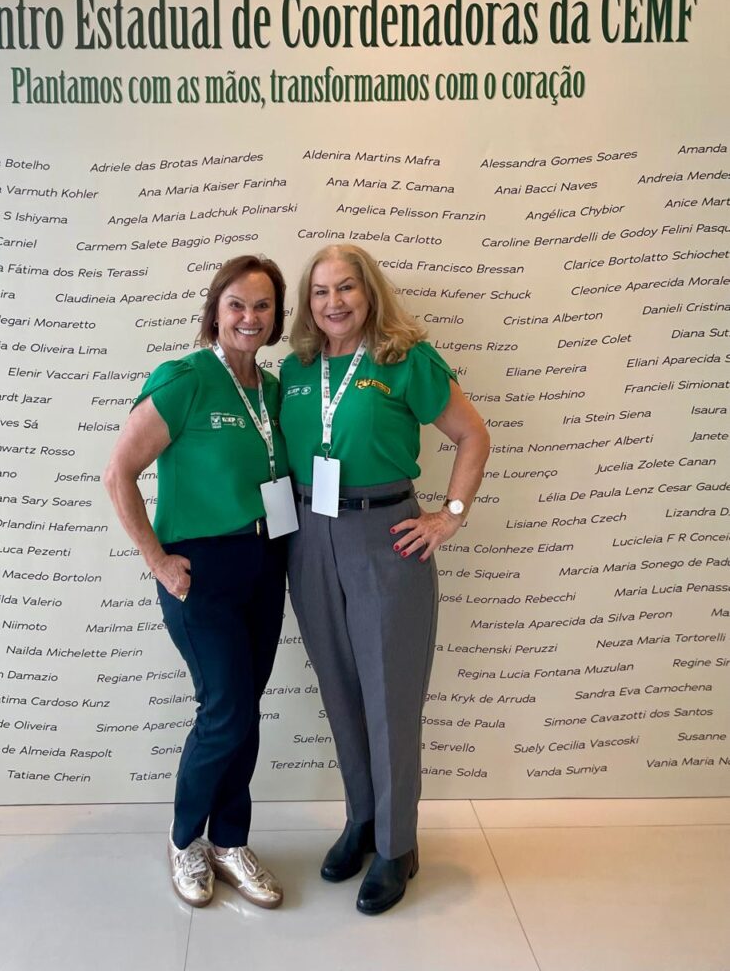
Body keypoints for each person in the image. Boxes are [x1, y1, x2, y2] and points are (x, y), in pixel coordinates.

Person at [280, 243, 490, 915]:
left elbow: (472, 434)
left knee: (390, 699)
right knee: (341, 691)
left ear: (369, 292)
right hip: (311, 538)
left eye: (346, 288)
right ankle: (362, 822)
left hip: (386, 534)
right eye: (320, 292)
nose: (333, 302)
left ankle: (399, 845)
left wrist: (449, 515)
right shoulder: (295, 369)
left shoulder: (406, 360)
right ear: (308, 303)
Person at [104, 255, 292, 910]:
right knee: (226, 711)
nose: (249, 316)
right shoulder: (183, 379)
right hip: (199, 573)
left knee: (246, 710)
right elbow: (118, 473)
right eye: (237, 303)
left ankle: (230, 840)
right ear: (215, 309)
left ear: (276, 318)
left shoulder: (272, 390)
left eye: (263, 306)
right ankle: (186, 839)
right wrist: (158, 560)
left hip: (265, 567)